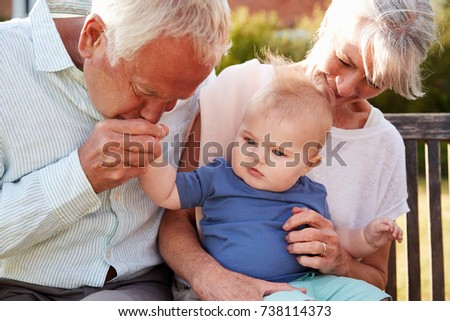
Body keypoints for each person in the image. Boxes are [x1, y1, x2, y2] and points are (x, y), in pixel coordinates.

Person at [158, 0, 439, 300]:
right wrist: (211, 276)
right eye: (344, 60)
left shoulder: (383, 145)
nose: (344, 87)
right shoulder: (239, 89)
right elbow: (176, 218)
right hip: (217, 296)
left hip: (318, 295)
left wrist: (340, 261)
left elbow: (375, 278)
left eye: (374, 81)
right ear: (328, 23)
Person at [0, 0, 230, 301]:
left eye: (175, 101)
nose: (154, 117)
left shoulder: (192, 76)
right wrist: (83, 175)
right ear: (93, 37)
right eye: (145, 91)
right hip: (15, 288)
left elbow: (195, 209)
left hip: (140, 289)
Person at [141, 61, 403, 300]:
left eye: (278, 152)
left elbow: (339, 238)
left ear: (308, 164)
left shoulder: (311, 193)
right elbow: (168, 194)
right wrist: (149, 158)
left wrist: (368, 237)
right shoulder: (218, 176)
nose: (257, 156)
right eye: (250, 141)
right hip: (249, 289)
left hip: (311, 282)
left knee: (370, 298)